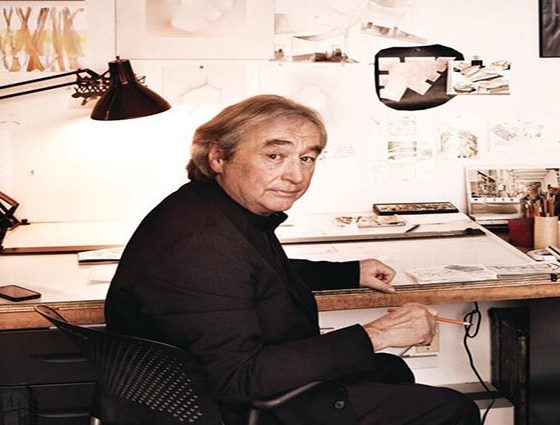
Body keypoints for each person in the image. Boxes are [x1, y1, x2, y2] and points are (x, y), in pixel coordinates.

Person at [104, 95, 480, 425]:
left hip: (227, 392)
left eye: (306, 158)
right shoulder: (202, 244)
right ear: (219, 156)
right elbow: (235, 377)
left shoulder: (210, 209)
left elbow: (249, 274)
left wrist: (349, 272)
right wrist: (378, 334)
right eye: (274, 156)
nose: (296, 175)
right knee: (451, 409)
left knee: (390, 371)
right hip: (239, 409)